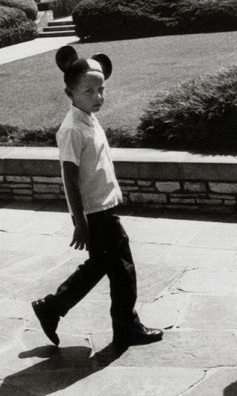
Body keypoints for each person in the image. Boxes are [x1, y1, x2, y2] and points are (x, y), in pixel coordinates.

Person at [31, 46, 163, 349]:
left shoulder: (89, 118)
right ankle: (57, 307)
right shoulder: (72, 130)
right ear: (70, 93)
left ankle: (59, 308)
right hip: (95, 213)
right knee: (117, 269)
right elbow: (69, 178)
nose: (98, 96)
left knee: (112, 268)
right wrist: (79, 222)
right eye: (89, 91)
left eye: (101, 89)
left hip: (103, 208)